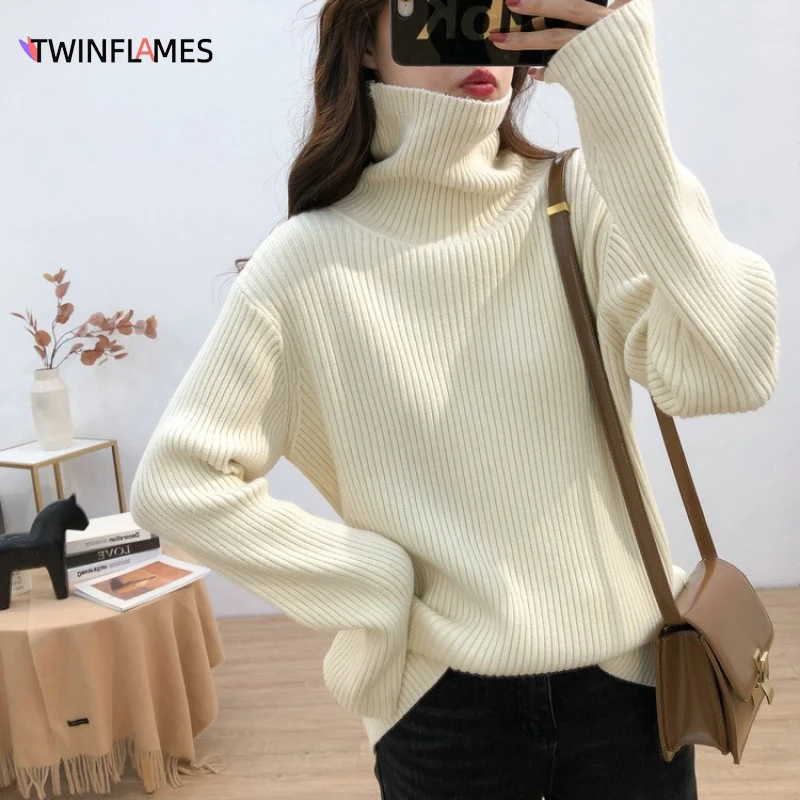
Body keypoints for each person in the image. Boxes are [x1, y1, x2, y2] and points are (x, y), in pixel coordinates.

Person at [129, 0, 780, 797]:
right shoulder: (306, 265)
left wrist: (626, 106)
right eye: (436, 8)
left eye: (495, 7)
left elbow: (732, 370)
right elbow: (177, 484)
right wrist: (374, 582)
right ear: (365, 42)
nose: (476, 36)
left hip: (631, 688)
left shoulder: (580, 199)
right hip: (444, 712)